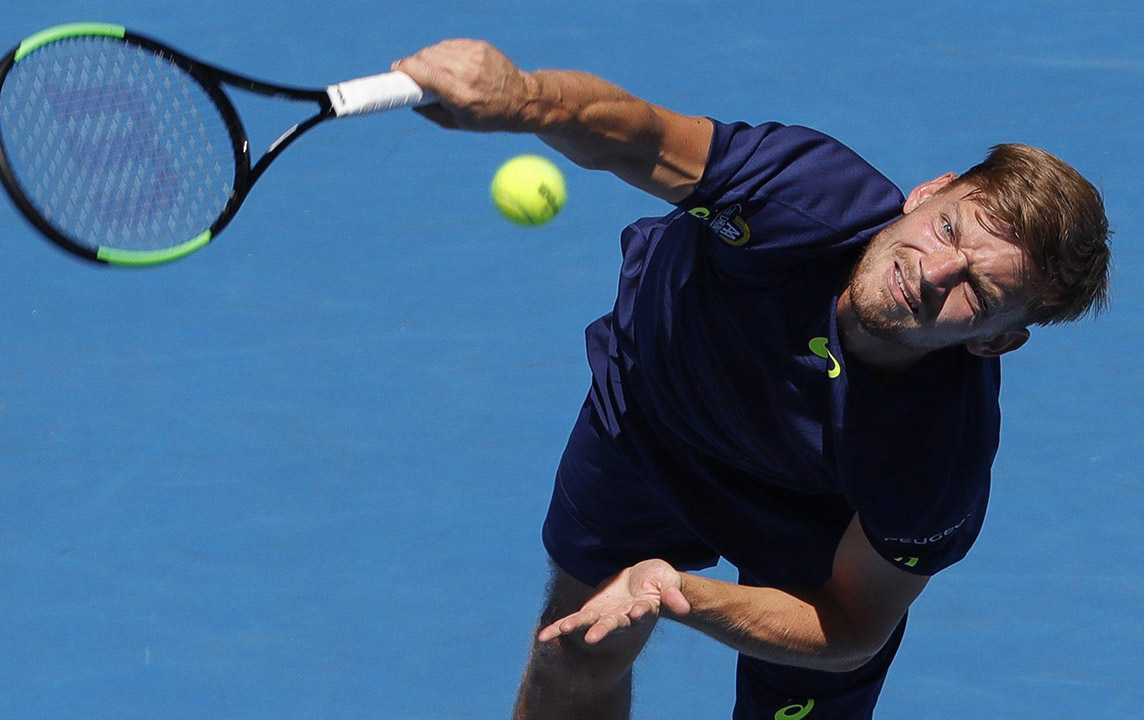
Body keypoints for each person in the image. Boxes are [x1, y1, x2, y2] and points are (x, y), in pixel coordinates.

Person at [391, 40, 1112, 720]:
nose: (931, 273)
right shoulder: (804, 196)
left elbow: (853, 624)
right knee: (573, 659)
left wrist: (683, 595)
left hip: (812, 537)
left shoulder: (936, 456)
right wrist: (521, 97)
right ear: (930, 191)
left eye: (977, 294)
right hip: (655, 419)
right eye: (951, 230)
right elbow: (637, 136)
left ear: (995, 342)